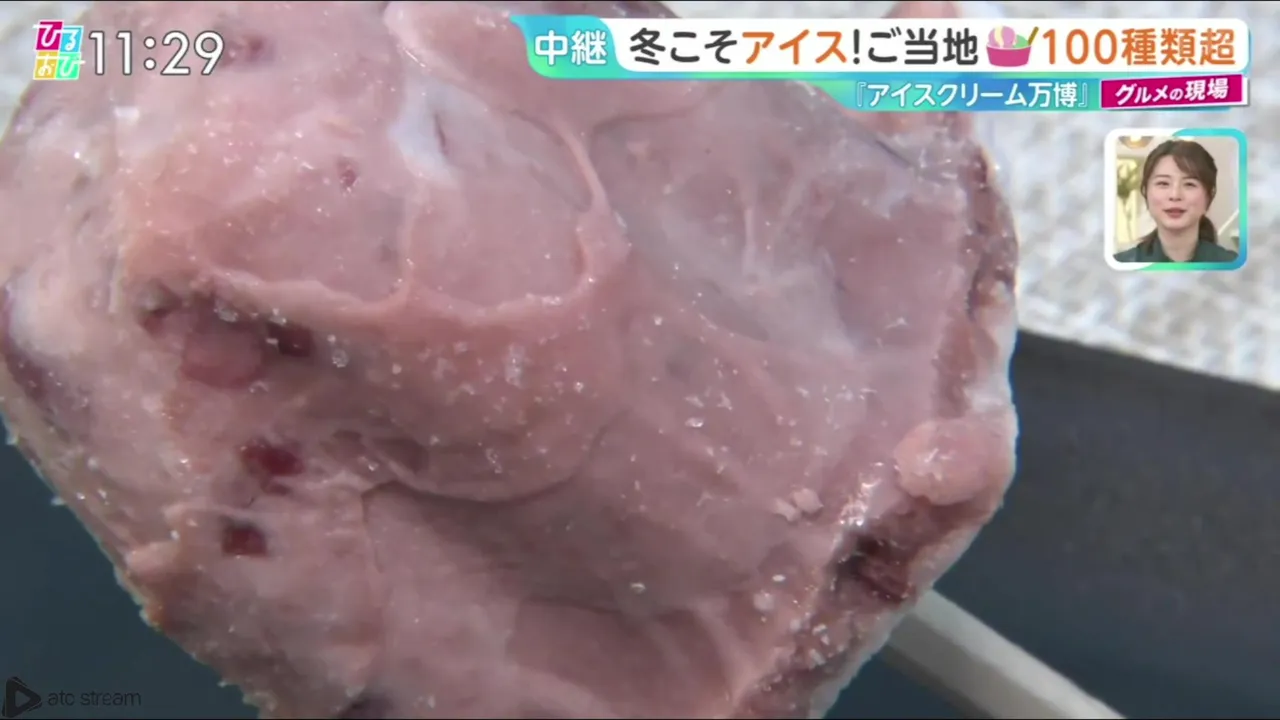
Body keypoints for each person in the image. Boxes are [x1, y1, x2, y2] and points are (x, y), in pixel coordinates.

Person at [1113, 138, 1238, 264]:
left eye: (1189, 184)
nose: (1175, 195)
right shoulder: (1121, 265)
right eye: (1163, 183)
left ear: (1209, 195)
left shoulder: (1232, 265)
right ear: (1145, 192)